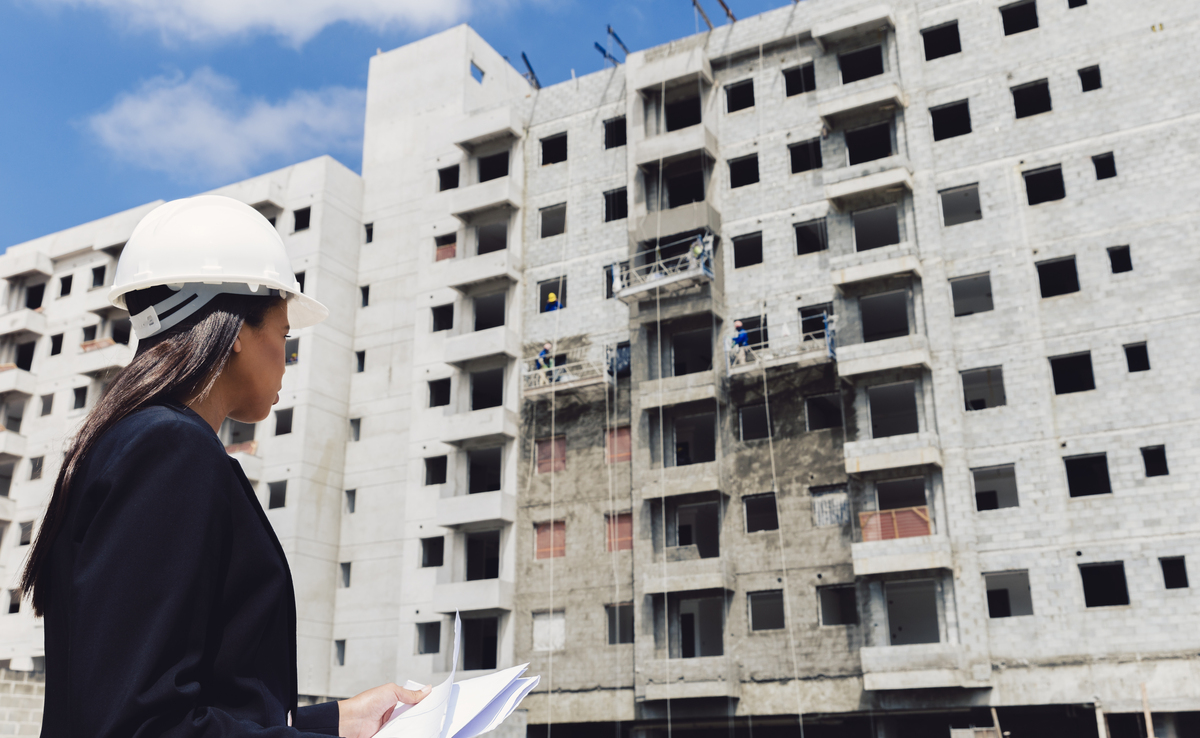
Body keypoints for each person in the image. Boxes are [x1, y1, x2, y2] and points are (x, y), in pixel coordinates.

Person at [20, 196, 430, 737]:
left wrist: (337, 722)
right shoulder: (168, 451)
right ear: (237, 329)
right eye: (284, 335)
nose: (288, 356)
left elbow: (166, 703)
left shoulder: (136, 442)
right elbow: (139, 727)